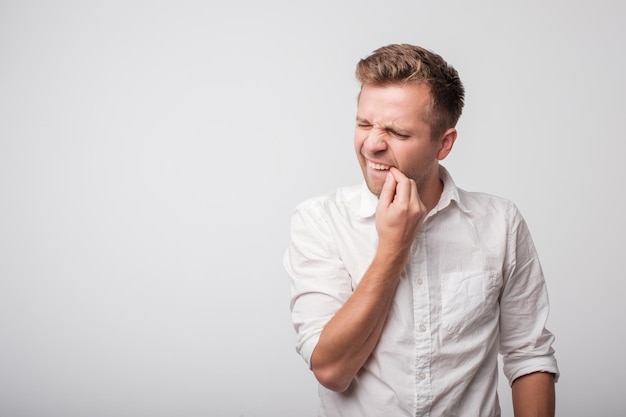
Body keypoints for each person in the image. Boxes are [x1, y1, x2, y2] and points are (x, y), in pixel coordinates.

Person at [283, 43, 559, 417]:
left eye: (397, 132)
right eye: (364, 124)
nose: (372, 145)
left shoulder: (500, 223)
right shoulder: (320, 220)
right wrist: (393, 248)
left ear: (443, 144)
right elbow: (332, 370)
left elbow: (529, 355)